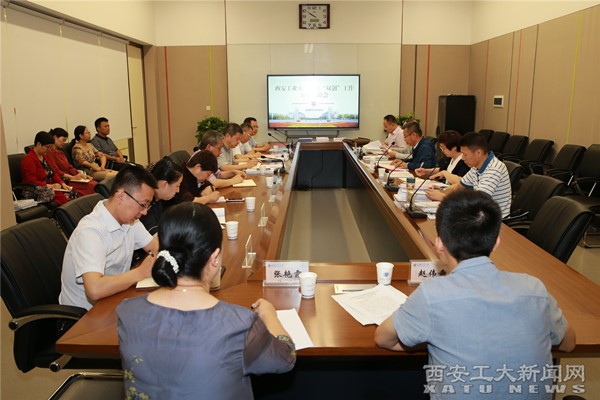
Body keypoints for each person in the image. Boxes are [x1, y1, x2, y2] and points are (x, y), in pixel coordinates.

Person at [374, 190, 576, 399]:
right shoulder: (534, 289)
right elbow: (568, 343)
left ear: (439, 244)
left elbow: (383, 338)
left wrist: (436, 341)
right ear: (496, 242)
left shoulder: (432, 295)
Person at [116, 202, 296, 399]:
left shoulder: (127, 312)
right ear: (215, 258)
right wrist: (269, 315)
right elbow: (285, 358)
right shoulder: (239, 324)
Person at [59, 165, 159, 310]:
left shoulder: (130, 220)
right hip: (85, 315)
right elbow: (94, 289)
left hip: (115, 298)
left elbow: (155, 247)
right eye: (143, 205)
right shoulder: (90, 231)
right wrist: (140, 273)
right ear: (121, 196)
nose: (144, 212)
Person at [425, 132, 512, 218]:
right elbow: (459, 186)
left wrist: (445, 197)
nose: (462, 158)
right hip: (479, 214)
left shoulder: (494, 169)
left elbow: (479, 200)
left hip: (494, 220)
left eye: (465, 154)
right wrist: (441, 192)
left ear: (478, 153)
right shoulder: (476, 166)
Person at [21, 131, 72, 205]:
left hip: (49, 187)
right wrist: (50, 186)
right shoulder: (28, 160)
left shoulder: (45, 156)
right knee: (62, 197)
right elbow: (30, 181)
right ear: (39, 144)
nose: (49, 150)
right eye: (48, 147)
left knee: (71, 192)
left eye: (51, 147)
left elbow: (53, 172)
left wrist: (62, 183)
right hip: (35, 190)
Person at [46, 127, 98, 196]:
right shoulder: (49, 152)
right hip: (65, 180)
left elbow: (69, 166)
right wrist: (72, 177)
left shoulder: (60, 151)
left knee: (94, 183)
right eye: (63, 140)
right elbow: (56, 170)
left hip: (72, 177)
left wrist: (79, 174)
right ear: (55, 137)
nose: (64, 143)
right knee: (92, 186)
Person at [139, 157, 184, 235]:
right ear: (165, 184)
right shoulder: (144, 202)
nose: (178, 190)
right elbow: (154, 233)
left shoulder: (157, 199)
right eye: (177, 186)